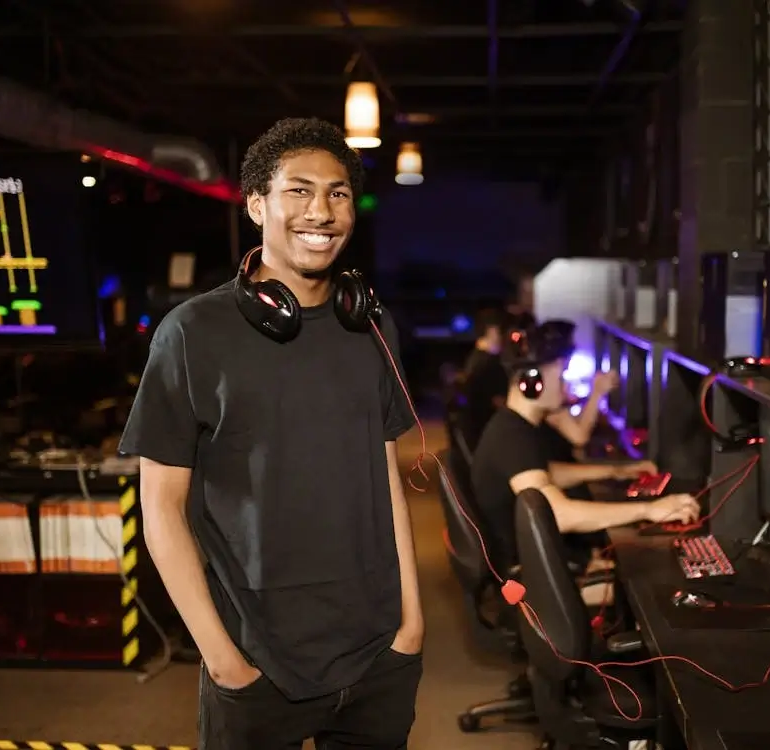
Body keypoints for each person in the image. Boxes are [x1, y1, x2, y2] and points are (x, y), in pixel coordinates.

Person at [118, 118, 423, 750]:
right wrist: (225, 662)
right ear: (257, 204)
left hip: (377, 658)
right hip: (257, 665)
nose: (321, 210)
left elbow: (385, 475)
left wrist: (411, 623)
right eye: (299, 190)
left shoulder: (369, 326)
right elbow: (161, 509)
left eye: (338, 193)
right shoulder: (192, 333)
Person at [472, 323, 700, 571]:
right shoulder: (512, 437)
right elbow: (559, 515)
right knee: (646, 577)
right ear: (531, 383)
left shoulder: (514, 426)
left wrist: (617, 472)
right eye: (561, 378)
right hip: (526, 577)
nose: (566, 386)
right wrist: (650, 509)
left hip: (537, 561)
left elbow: (547, 475)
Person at [458, 308, 508, 450]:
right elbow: (502, 404)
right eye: (502, 331)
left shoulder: (473, 360)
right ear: (492, 331)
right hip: (490, 438)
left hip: (476, 438)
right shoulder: (490, 364)